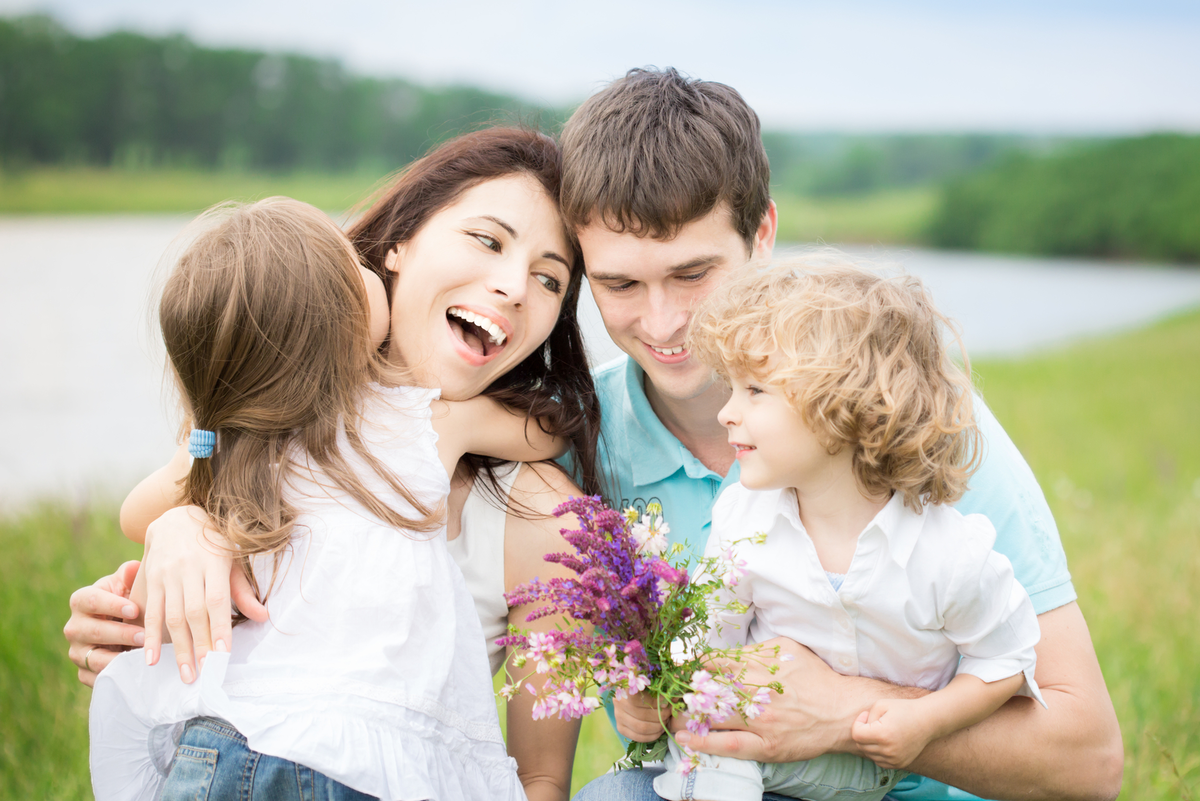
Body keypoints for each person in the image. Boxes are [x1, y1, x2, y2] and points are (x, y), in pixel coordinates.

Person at [559, 68, 1121, 801]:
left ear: (762, 234)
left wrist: (846, 712)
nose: (663, 323)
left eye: (693, 273)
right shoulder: (579, 442)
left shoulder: (905, 414)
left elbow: (1090, 762)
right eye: (620, 286)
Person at [70, 128, 600, 801]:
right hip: (246, 745)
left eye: (550, 277)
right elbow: (165, 504)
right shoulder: (284, 409)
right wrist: (184, 526)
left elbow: (541, 778)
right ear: (398, 244)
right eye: (488, 240)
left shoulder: (527, 506)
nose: (514, 286)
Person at [643, 259, 1049, 801]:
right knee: (707, 752)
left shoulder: (948, 555)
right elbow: (715, 626)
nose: (727, 412)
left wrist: (924, 722)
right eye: (732, 388)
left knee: (721, 761)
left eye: (756, 391)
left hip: (873, 769)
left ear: (845, 407)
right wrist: (661, 680)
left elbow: (1005, 660)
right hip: (760, 752)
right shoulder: (744, 515)